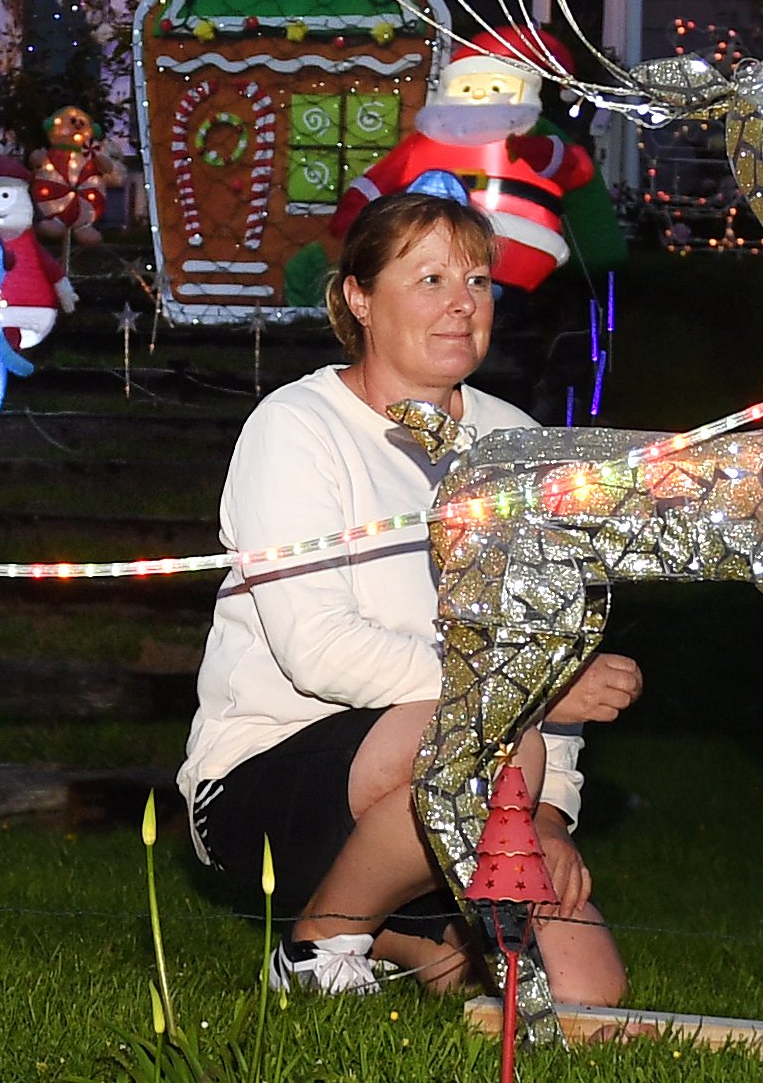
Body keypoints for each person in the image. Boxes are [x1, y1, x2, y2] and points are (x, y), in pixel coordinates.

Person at [182, 193, 643, 1009]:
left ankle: (410, 933)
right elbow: (317, 648)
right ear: (359, 298)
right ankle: (321, 943)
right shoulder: (296, 427)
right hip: (275, 774)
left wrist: (551, 817)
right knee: (490, 735)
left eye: (478, 280)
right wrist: (528, 697)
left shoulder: (518, 445)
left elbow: (550, 638)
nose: (463, 303)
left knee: (584, 994)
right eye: (428, 278)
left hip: (484, 770)